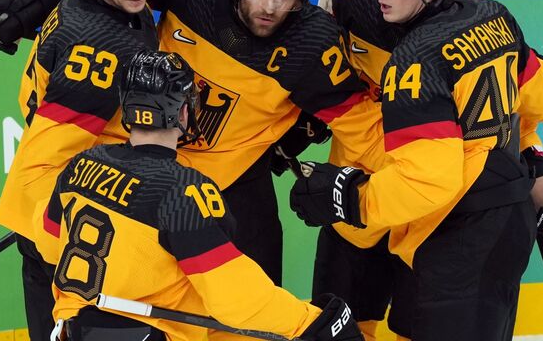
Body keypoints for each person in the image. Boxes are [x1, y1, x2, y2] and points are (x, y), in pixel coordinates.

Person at [0, 0, 387, 294]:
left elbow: (365, 128)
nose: (270, 6)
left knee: (250, 312)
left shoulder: (313, 46)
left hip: (233, 187)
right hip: (146, 167)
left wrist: (358, 189)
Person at [288, 0, 543, 340]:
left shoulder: (416, 57)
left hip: (437, 220)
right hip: (392, 218)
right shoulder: (491, 17)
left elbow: (432, 176)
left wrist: (347, 197)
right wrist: (537, 182)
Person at [39, 49, 363, 341]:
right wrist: (311, 324)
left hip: (72, 329)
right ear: (182, 113)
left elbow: (48, 243)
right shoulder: (183, 192)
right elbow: (237, 300)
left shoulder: (81, 165)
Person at [0, 0, 163, 339]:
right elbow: (51, 158)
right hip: (60, 217)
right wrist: (64, 233)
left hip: (51, 205)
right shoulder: (100, 47)